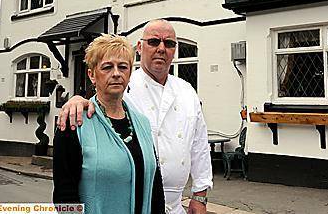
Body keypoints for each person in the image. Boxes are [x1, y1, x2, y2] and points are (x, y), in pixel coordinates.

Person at [58, 19, 213, 214]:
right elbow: (65, 194)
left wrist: (200, 195)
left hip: (171, 204)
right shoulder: (96, 109)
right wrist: (76, 99)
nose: (161, 49)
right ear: (140, 47)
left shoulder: (186, 91)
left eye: (169, 43)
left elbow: (200, 145)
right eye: (154, 42)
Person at [53, 34, 165, 214]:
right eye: (107, 67)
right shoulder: (74, 123)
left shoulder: (142, 124)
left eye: (123, 67)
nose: (116, 73)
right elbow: (64, 195)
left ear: (129, 73)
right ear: (92, 74)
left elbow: (156, 188)